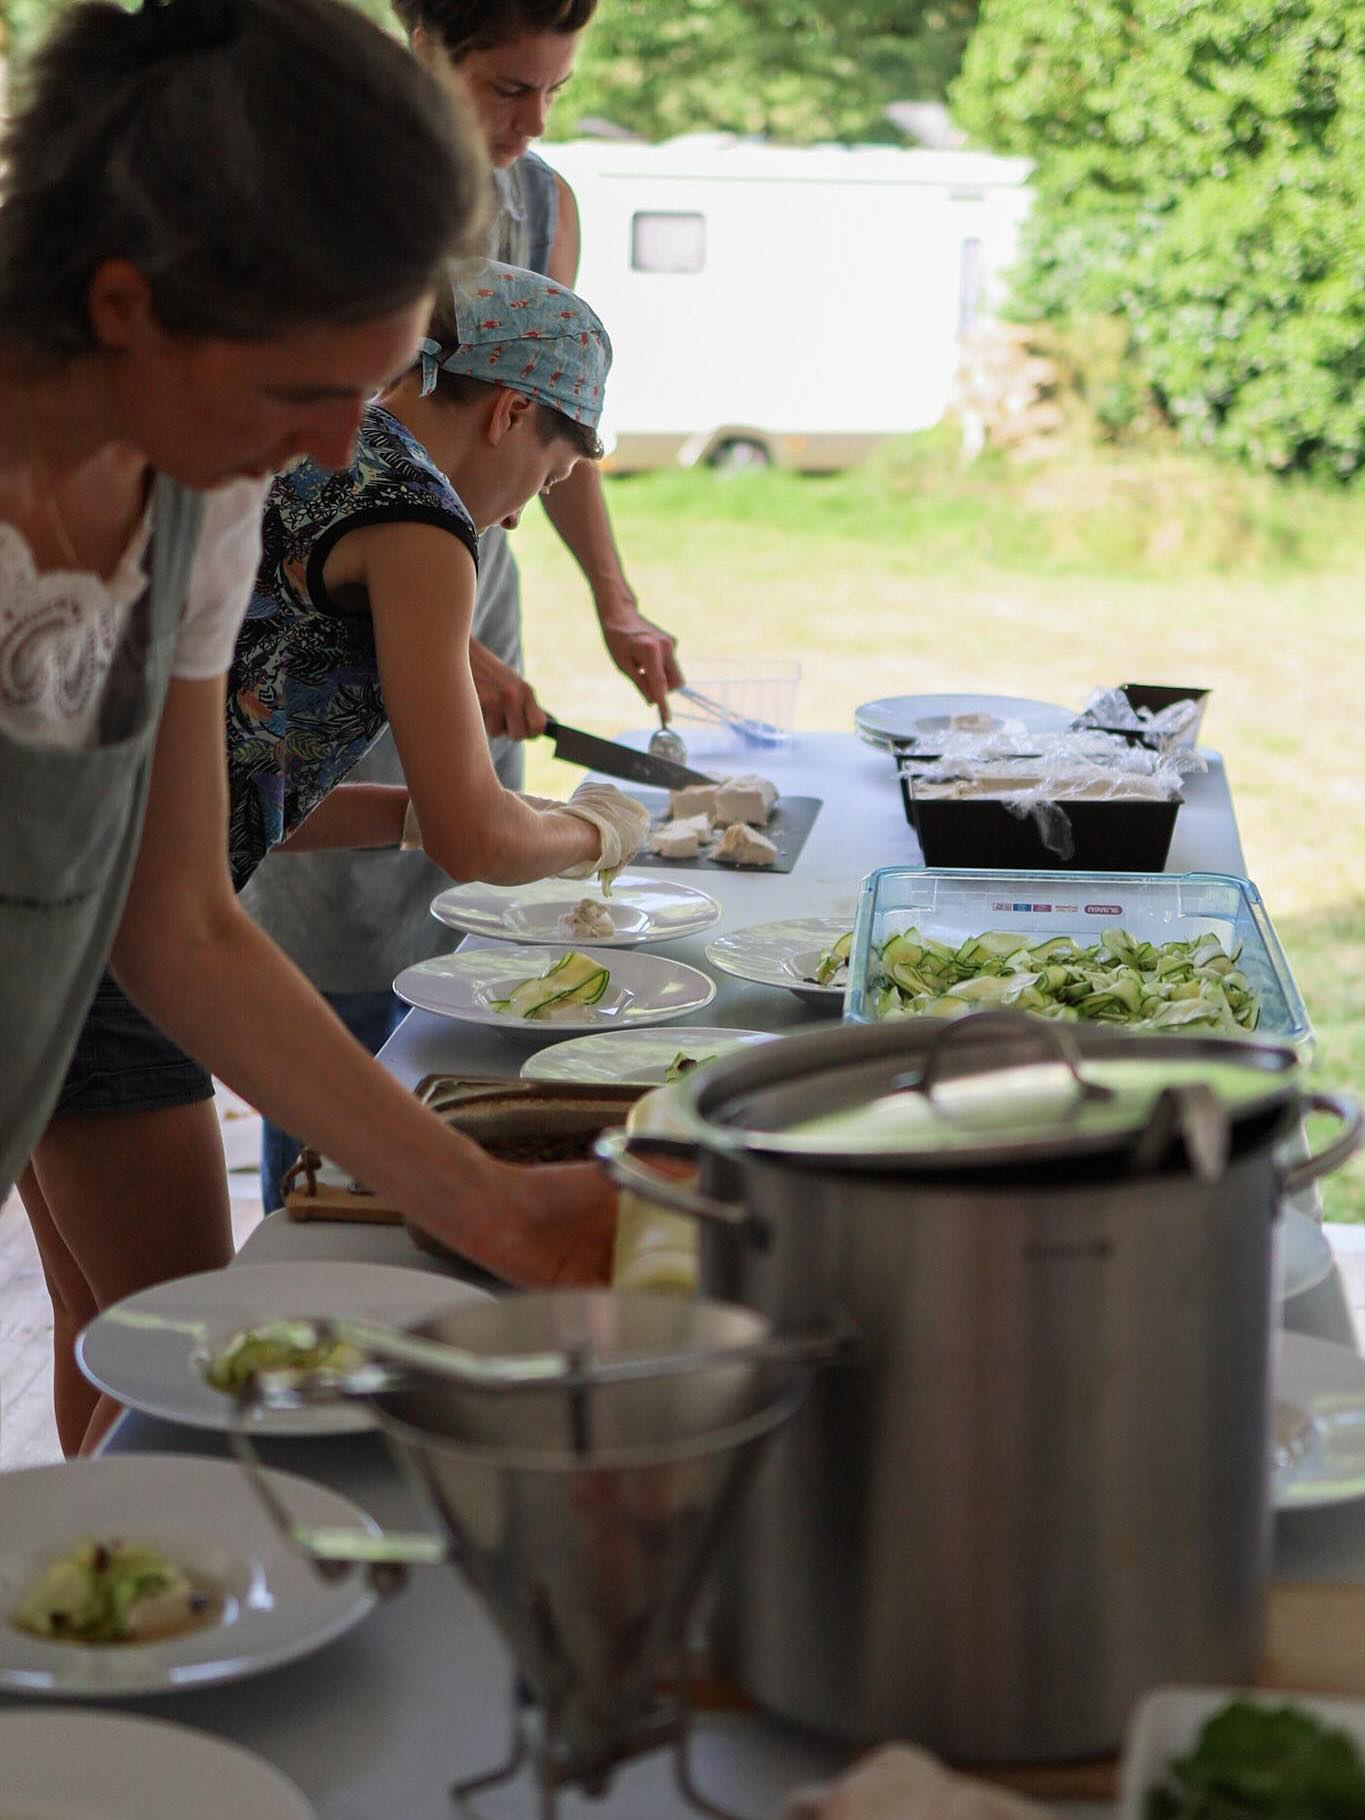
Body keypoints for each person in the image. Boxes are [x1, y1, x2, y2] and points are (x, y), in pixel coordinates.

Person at [1, 0, 619, 1457]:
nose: (347, 450)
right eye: (306, 388)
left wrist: (502, 1213)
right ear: (122, 304)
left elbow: (182, 920)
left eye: (375, 383)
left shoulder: (200, 488)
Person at [242, 0, 681, 1207]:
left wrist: (580, 600)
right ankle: (339, 1187)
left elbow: (246, 798)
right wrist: (604, 832)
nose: (532, 124)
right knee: (315, 1016)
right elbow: (472, 835)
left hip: (121, 888)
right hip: (132, 919)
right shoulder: (413, 517)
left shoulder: (390, 501)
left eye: (554, 92)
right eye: (507, 89)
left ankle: (346, 1186)